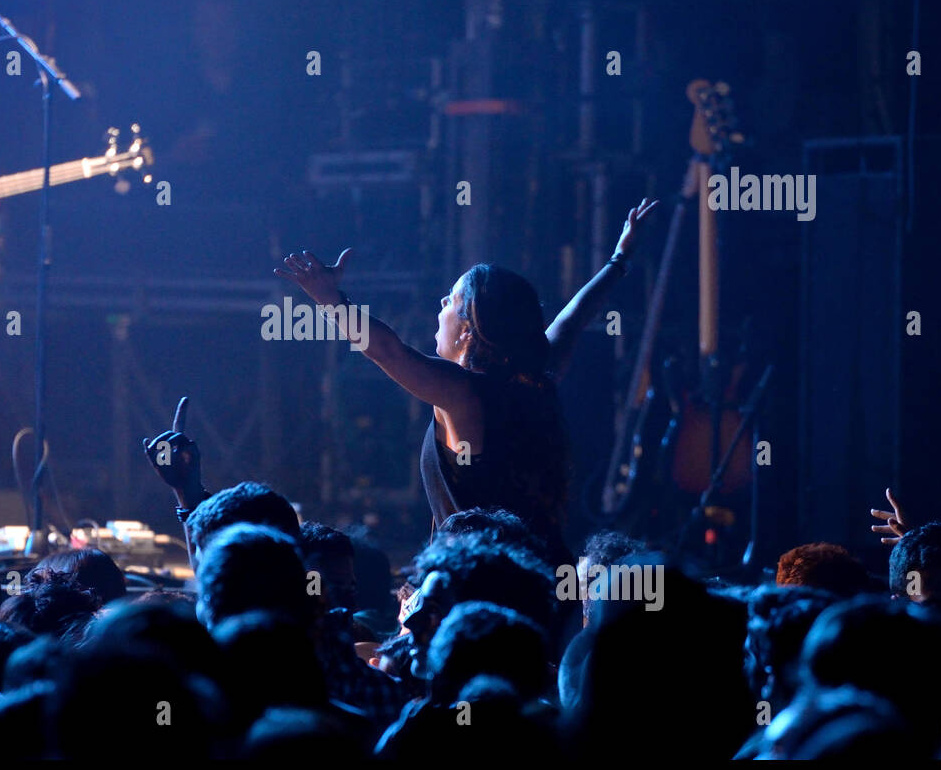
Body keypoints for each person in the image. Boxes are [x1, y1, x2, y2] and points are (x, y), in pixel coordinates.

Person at [275, 199, 658, 554]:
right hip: (539, 575)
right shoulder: (535, 377)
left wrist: (329, 299)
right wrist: (619, 260)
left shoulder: (462, 394)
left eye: (452, 299)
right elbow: (573, 318)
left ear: (468, 328)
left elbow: (387, 350)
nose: (442, 305)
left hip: (484, 585)